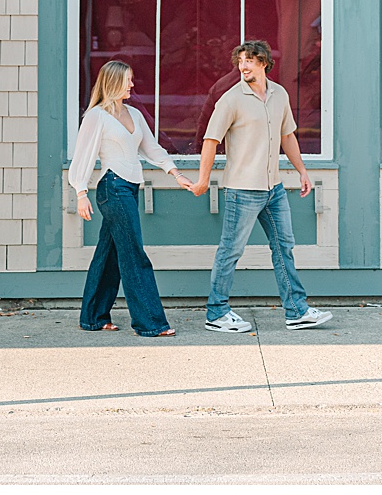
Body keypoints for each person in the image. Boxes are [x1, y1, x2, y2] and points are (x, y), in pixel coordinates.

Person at [191, 40, 333, 333]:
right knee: (230, 251)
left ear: (265, 63)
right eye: (240, 61)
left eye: (250, 61)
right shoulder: (230, 99)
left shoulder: (279, 94)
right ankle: (216, 313)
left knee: (284, 248)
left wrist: (302, 171)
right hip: (241, 190)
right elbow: (210, 140)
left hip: (274, 189)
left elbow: (288, 136)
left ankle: (296, 311)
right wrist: (203, 180)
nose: (243, 66)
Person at [69, 60, 194, 337]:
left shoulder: (135, 114)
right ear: (113, 82)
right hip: (112, 188)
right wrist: (80, 192)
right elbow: (83, 157)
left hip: (130, 188)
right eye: (127, 80)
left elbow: (152, 148)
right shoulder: (96, 117)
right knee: (134, 255)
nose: (132, 85)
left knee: (110, 253)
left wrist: (175, 173)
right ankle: (150, 323)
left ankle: (92, 317)